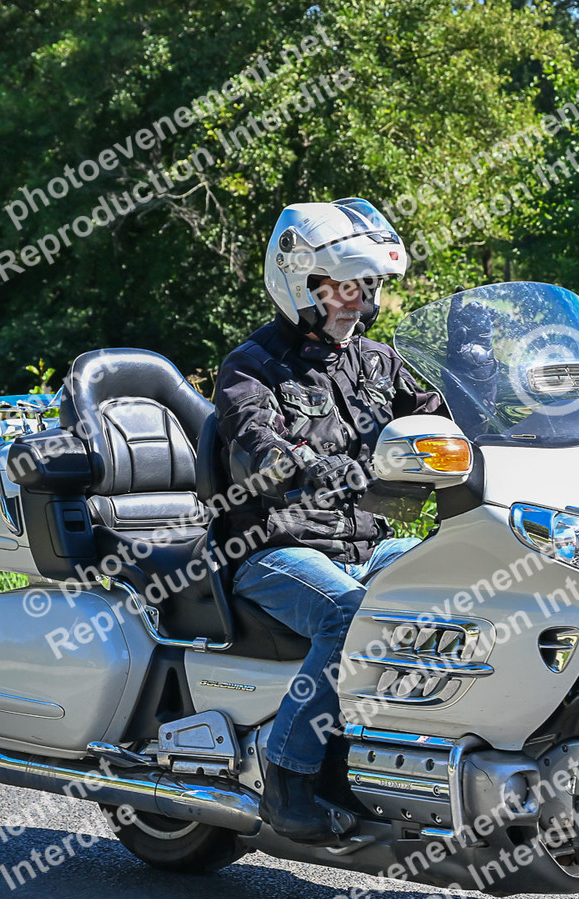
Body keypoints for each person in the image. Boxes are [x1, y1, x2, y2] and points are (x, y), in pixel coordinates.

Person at [213, 198, 445, 844]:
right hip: (275, 549)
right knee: (350, 613)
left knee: (456, 586)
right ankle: (289, 775)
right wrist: (298, 463)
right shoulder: (251, 365)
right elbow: (251, 433)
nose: (357, 301)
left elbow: (438, 415)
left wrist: (500, 429)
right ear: (300, 284)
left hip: (367, 543)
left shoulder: (379, 361)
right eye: (343, 287)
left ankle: (413, 754)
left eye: (365, 287)